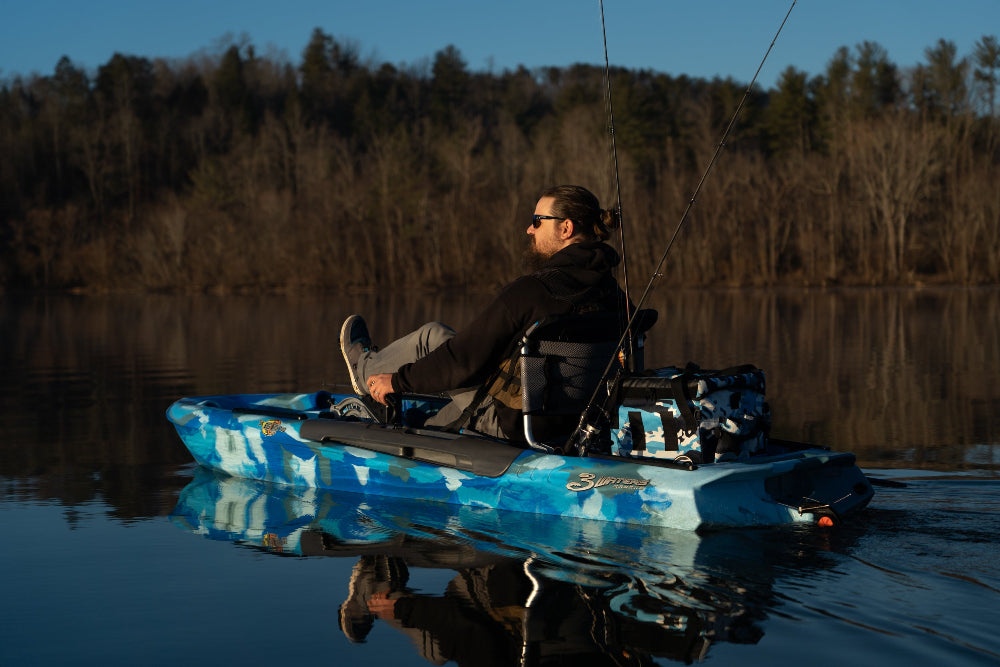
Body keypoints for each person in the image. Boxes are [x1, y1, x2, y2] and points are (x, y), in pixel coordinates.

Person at [340, 184, 633, 442]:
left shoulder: (531, 291)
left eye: (537, 221)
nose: (529, 229)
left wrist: (397, 381)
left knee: (432, 337)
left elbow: (463, 359)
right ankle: (409, 425)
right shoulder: (615, 295)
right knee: (429, 421)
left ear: (565, 228)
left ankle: (365, 370)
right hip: (582, 425)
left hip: (519, 426)